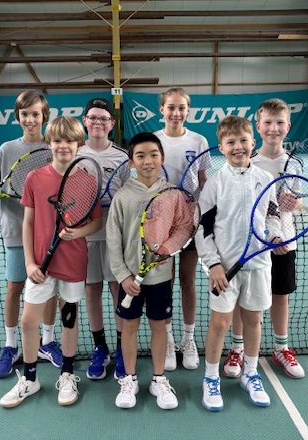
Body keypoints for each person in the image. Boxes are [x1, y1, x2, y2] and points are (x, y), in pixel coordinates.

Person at [0, 115, 103, 408]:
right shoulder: (35, 178)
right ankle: (30, 378)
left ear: (79, 144)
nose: (63, 146)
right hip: (40, 267)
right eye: (57, 140)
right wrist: (30, 263)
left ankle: (67, 375)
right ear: (49, 143)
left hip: (73, 264)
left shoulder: (87, 181)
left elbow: (96, 222)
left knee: (69, 319)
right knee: (28, 321)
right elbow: (28, 223)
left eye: (69, 141)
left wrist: (76, 233)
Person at [196, 115, 285, 411]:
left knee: (253, 320)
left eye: (243, 141)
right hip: (224, 269)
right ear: (221, 147)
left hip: (259, 264)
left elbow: (272, 214)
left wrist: (274, 235)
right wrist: (213, 264)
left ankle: (250, 373)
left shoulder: (265, 179)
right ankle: (211, 378)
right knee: (220, 323)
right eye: (231, 142)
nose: (238, 147)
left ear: (253, 142)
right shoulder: (214, 184)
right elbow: (203, 229)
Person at [0, 90, 62, 378]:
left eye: (35, 114)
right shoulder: (7, 149)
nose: (30, 119)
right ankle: (11, 345)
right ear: (18, 116)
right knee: (14, 287)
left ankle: (47, 341)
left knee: (49, 288)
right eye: (25, 114)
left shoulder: (54, 147)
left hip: (49, 232)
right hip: (15, 230)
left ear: (44, 116)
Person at [222, 99, 305, 379]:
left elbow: (298, 198)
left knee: (280, 295)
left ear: (288, 126)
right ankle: (237, 347)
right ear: (258, 127)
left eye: (279, 122)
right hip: (251, 245)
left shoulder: (294, 164)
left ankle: (281, 347)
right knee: (241, 299)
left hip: (285, 241)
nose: (273, 128)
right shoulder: (249, 160)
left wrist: (296, 203)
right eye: (268, 122)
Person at [107, 132, 179, 410]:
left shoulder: (172, 194)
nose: (147, 161)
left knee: (159, 325)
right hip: (130, 280)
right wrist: (123, 275)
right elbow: (113, 240)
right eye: (140, 156)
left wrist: (168, 249)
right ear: (131, 162)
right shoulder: (122, 197)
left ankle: (159, 379)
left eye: (153, 154)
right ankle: (130, 378)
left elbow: (181, 228)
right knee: (129, 327)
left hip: (160, 277)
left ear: (162, 158)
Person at [154, 87, 210, 371]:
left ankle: (188, 340)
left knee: (187, 280)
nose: (176, 113)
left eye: (181, 108)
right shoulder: (154, 140)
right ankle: (167, 339)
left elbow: (203, 180)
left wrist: (206, 212)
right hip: (162, 223)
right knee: (164, 282)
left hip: (190, 221)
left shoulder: (199, 141)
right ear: (162, 109)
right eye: (171, 107)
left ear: (188, 110)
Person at [78, 98, 128, 381]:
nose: (98, 122)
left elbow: (127, 194)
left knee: (116, 288)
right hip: (84, 235)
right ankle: (100, 348)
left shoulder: (122, 157)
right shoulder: (75, 153)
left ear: (112, 124)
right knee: (91, 289)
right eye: (93, 117)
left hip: (114, 234)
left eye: (103, 118)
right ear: (85, 121)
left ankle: (122, 347)